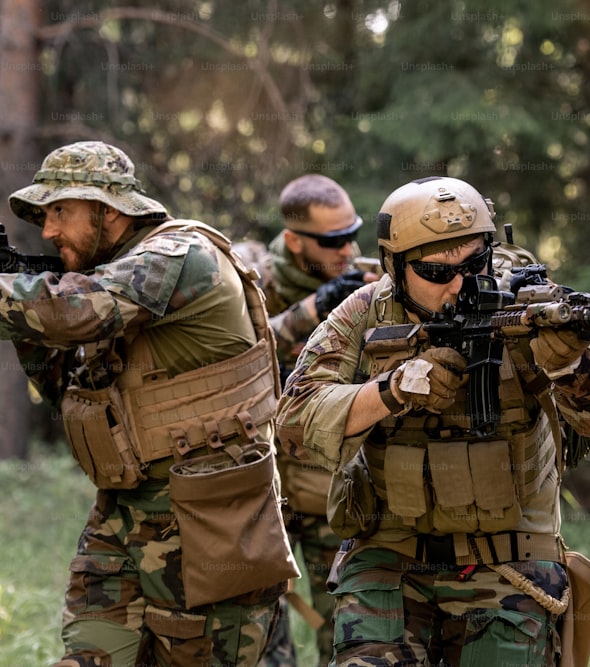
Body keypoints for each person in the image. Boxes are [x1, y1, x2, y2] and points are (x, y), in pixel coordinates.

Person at [0, 140, 299, 666]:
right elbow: (71, 393)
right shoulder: (113, 274)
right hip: (127, 510)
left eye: (60, 211)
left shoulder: (178, 256)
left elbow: (74, 310)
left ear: (108, 210)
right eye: (44, 216)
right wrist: (4, 310)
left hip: (212, 519)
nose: (48, 230)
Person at [274, 176, 590, 666]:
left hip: (508, 559)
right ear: (394, 266)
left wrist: (571, 365)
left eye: (474, 263)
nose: (459, 283)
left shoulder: (528, 302)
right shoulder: (363, 314)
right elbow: (294, 422)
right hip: (389, 554)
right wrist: (391, 390)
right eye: (434, 271)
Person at [235, 174, 376, 667]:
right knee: (249, 642)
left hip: (328, 492)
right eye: (332, 239)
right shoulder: (248, 276)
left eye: (352, 233)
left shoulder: (367, 284)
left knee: (348, 638)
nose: (348, 249)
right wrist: (316, 307)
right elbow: (238, 351)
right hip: (257, 493)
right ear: (294, 240)